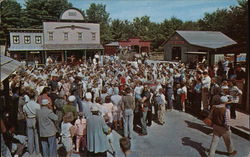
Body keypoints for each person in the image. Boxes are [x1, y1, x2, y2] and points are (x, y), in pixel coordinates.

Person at [22, 89, 40, 155]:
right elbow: (39, 115)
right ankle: (37, 150)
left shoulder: (25, 106)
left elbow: (24, 115)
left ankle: (30, 150)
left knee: (29, 136)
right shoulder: (37, 105)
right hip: (35, 119)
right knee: (36, 136)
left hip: (28, 119)